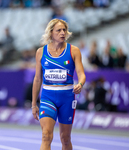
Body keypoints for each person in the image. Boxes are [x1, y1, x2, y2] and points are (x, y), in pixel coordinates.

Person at [32, 19, 86, 150]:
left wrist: (80, 84)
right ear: (51, 33)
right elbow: (37, 79)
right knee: (46, 136)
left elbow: (82, 74)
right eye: (59, 30)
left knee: (65, 138)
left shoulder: (74, 51)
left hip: (66, 98)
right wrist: (34, 104)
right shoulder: (40, 52)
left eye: (64, 30)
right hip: (47, 97)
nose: (62, 33)